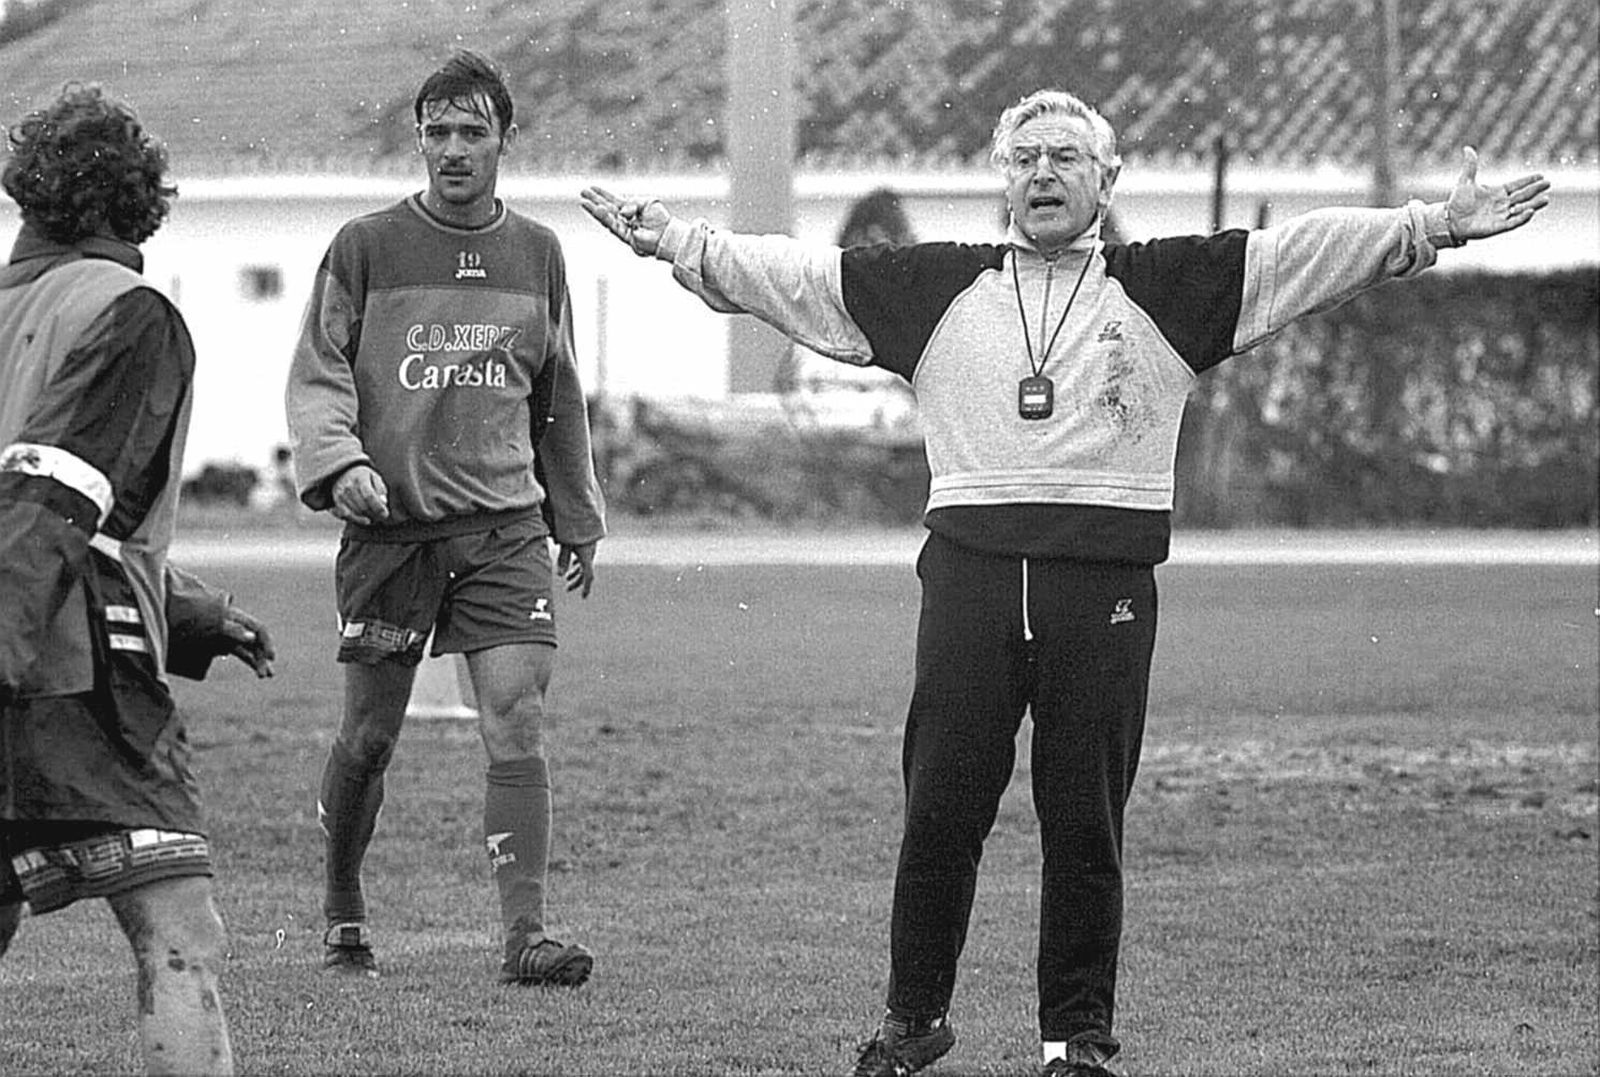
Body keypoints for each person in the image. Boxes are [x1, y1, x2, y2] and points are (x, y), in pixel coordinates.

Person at [580, 88, 1549, 1076]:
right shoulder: (933, 290)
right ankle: (912, 1022)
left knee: (1084, 820)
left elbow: (1305, 253)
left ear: (1106, 179)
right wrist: (673, 241)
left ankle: (1075, 1041)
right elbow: (791, 276)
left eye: (1065, 157)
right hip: (970, 583)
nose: (1043, 173)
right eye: (1025, 157)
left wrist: (1432, 226)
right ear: (1003, 179)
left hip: (1104, 588)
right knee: (939, 810)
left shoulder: (1168, 288)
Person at [285, 50, 607, 986]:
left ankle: (526, 936)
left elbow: (559, 394)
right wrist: (338, 464)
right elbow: (318, 372)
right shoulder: (364, 246)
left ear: (506, 138)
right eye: (438, 132)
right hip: (392, 532)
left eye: (473, 131)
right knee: (371, 737)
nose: (454, 149)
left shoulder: (539, 253)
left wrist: (576, 513)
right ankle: (343, 903)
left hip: (505, 527)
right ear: (419, 141)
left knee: (515, 715)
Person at [1, 83, 277, 1075]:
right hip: (70, 672)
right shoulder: (127, 310)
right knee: (176, 930)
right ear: (138, 200)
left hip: (30, 632)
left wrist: (195, 613)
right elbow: (54, 494)